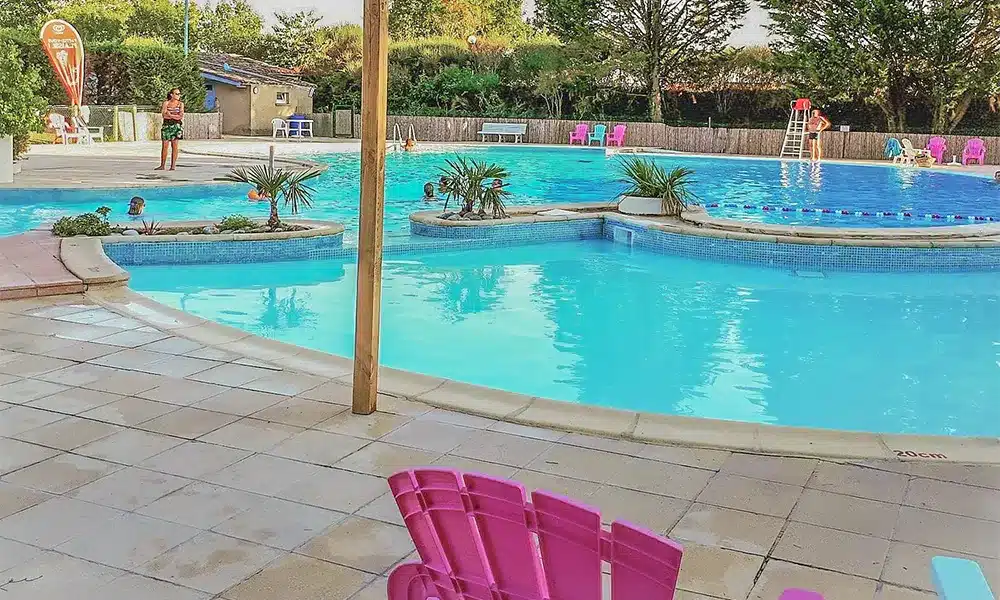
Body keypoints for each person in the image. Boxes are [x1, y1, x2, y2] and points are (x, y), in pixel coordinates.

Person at [156, 88, 184, 171]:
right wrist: (173, 116)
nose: (178, 95)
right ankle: (162, 165)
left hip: (176, 126)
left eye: (179, 94)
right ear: (172, 94)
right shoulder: (166, 103)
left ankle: (173, 166)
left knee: (175, 146)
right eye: (176, 94)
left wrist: (170, 115)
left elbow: (180, 116)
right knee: (165, 146)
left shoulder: (180, 104)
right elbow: (164, 115)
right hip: (166, 126)